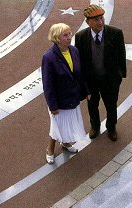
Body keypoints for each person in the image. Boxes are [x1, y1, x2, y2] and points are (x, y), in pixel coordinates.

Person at [75, 5, 126, 142]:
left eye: (101, 18)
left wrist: (119, 76)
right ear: (88, 22)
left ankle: (111, 127)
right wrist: (83, 83)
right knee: (92, 106)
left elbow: (121, 56)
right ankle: (95, 127)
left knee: (111, 105)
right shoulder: (80, 37)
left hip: (110, 81)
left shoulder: (116, 33)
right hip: (91, 82)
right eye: (96, 19)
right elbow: (79, 61)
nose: (100, 22)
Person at [42, 23, 90, 164]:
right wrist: (53, 106)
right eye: (65, 35)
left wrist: (86, 91)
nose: (69, 37)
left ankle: (66, 143)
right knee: (57, 126)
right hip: (59, 101)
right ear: (57, 38)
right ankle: (50, 149)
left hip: (72, 97)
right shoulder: (49, 57)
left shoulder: (74, 51)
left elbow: (79, 75)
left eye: (69, 34)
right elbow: (48, 84)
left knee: (68, 124)